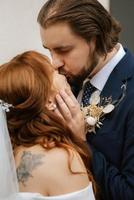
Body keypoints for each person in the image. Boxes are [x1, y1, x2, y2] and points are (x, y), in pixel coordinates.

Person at [37, 0, 134, 199]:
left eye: (63, 50)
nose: (54, 64)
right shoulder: (69, 80)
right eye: (49, 50)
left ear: (95, 39)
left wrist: (81, 142)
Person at [0, 50, 96, 200]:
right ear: (49, 102)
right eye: (52, 72)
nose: (59, 71)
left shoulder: (11, 155)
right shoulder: (63, 159)